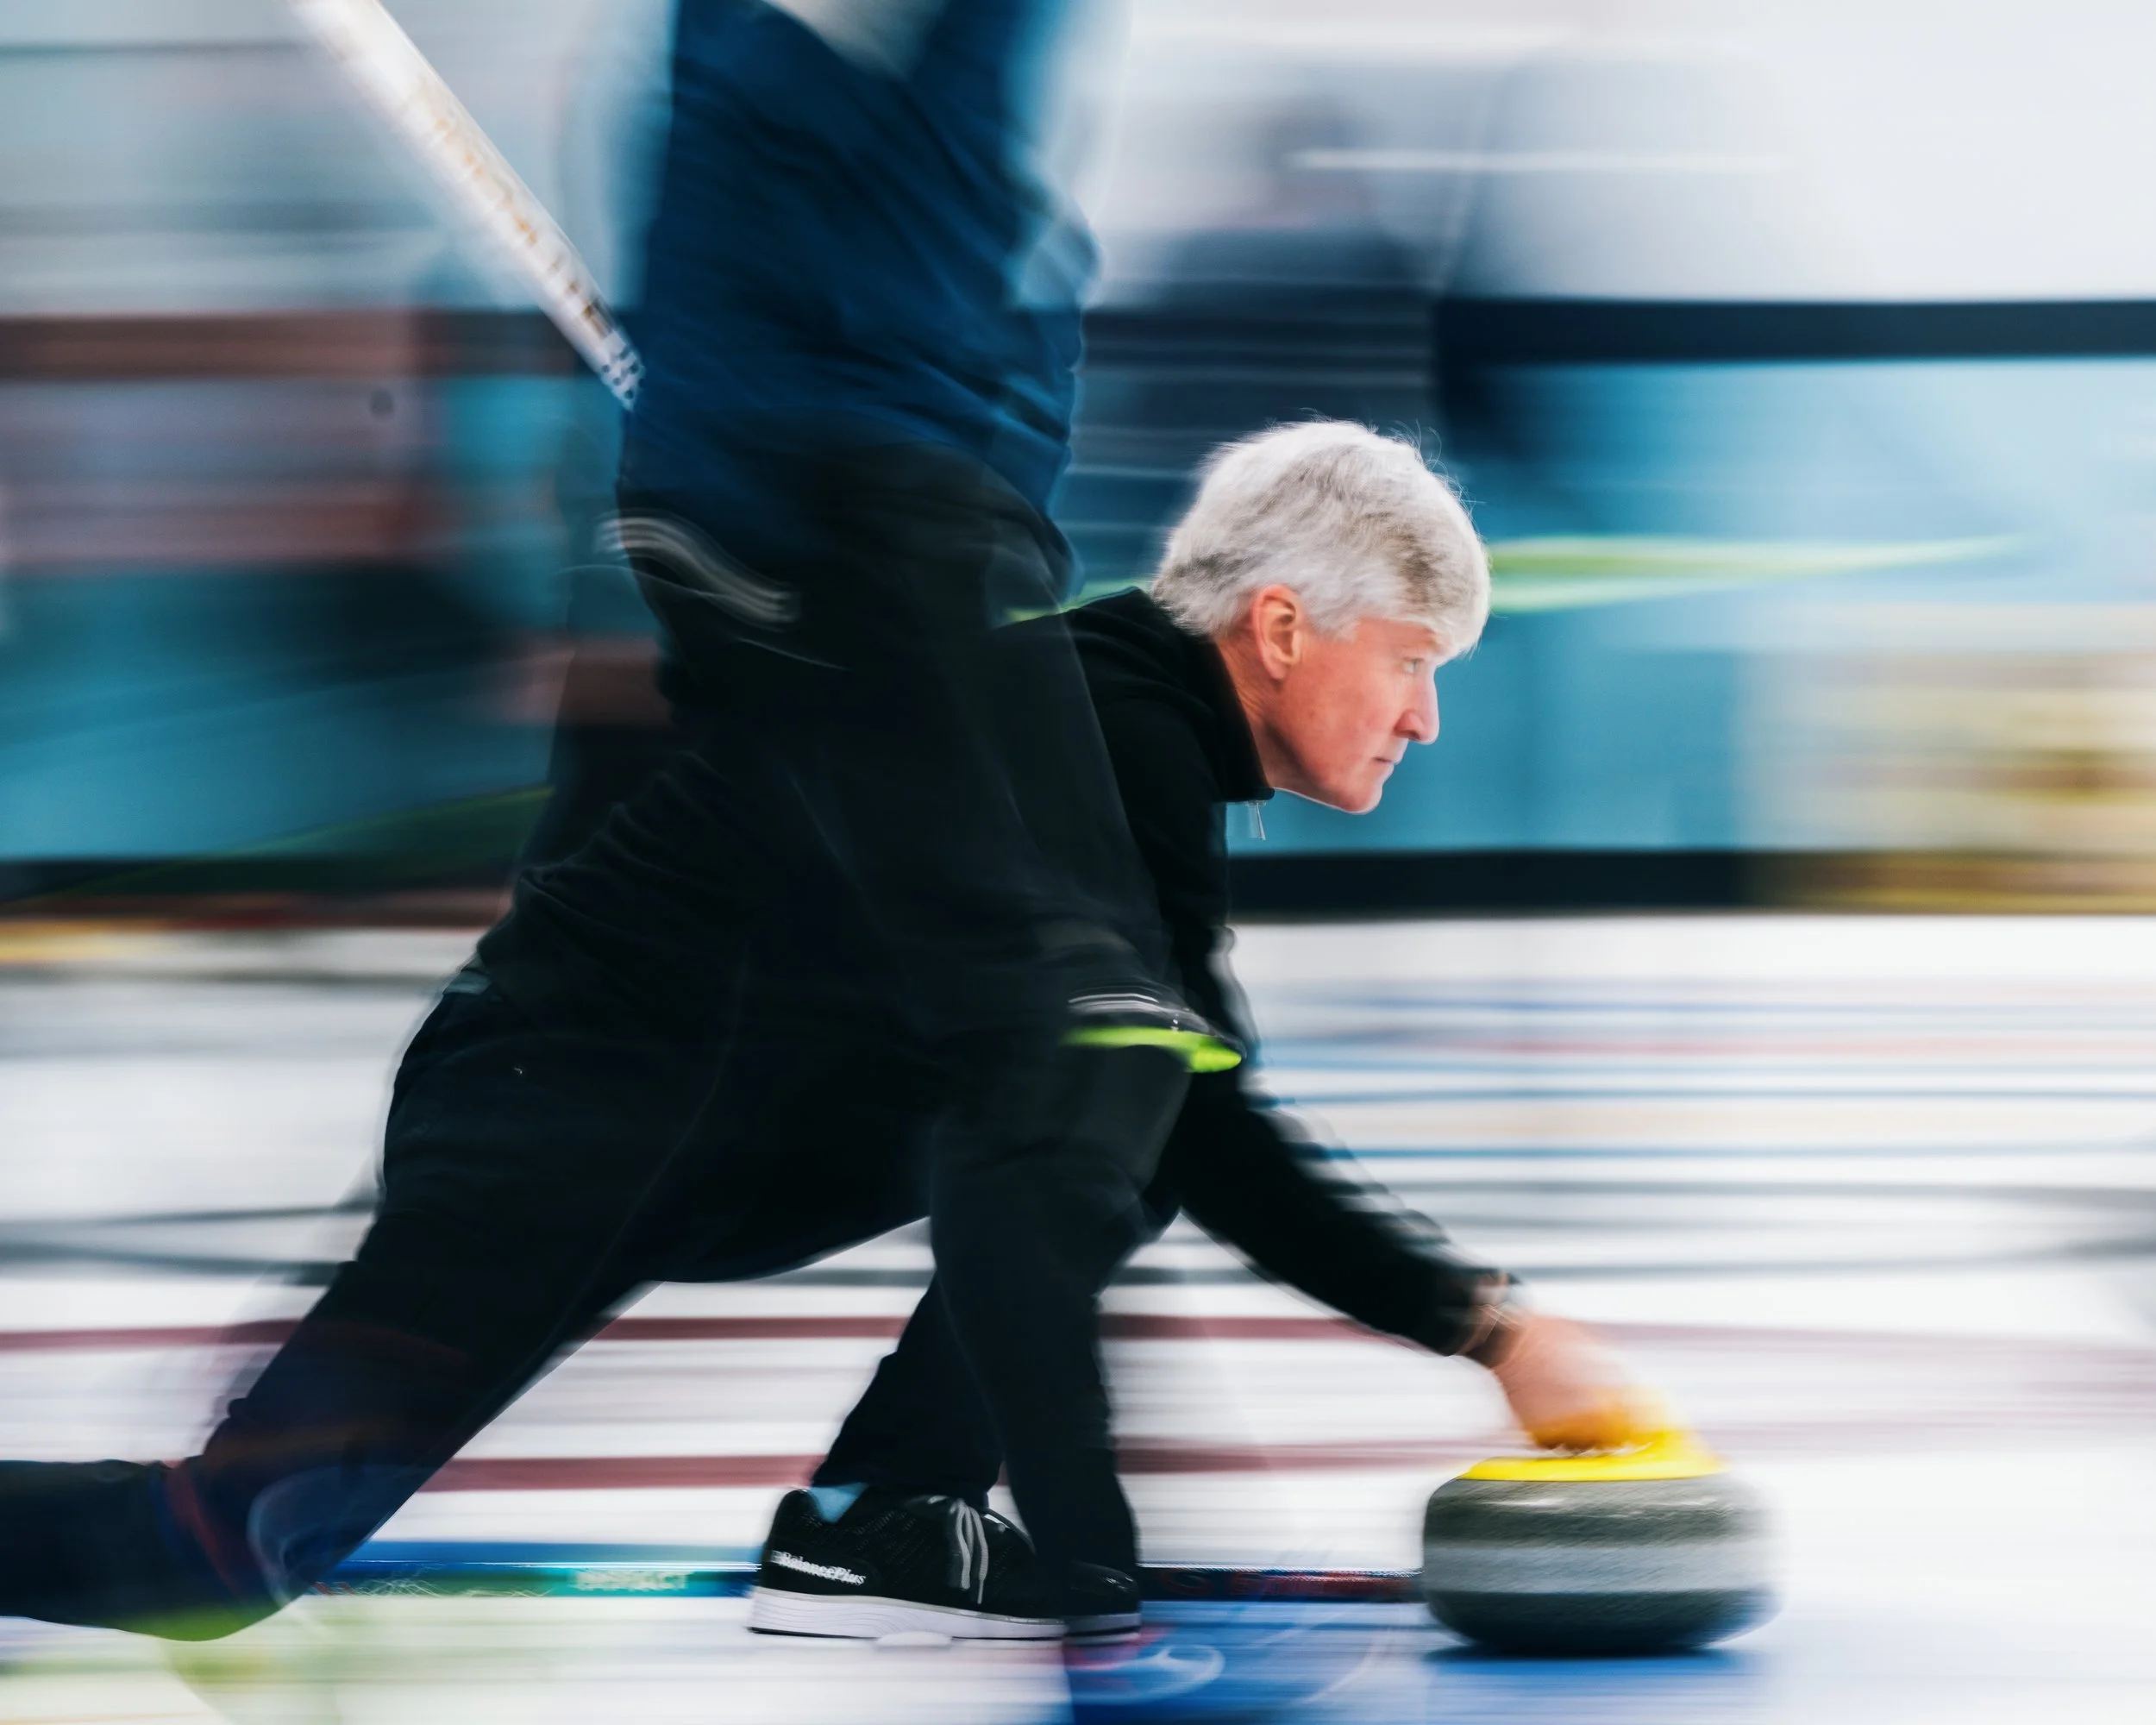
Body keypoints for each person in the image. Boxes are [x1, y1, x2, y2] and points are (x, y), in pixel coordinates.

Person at [0, 0, 1231, 1640]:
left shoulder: (926, 516)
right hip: (573, 1110)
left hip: (790, 965)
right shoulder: (857, 502)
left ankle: (886, 1513)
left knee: (1142, 1084)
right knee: (220, 1556)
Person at [734, 418, 1658, 1640]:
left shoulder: (1119, 712)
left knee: (1126, 1117)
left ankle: (883, 1508)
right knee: (1124, 1120)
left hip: (727, 1111)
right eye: (1410, 663)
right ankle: (887, 1512)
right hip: (663, 1128)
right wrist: (1493, 1330)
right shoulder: (1109, 735)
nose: (1425, 719)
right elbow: (1202, 1121)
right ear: (1280, 630)